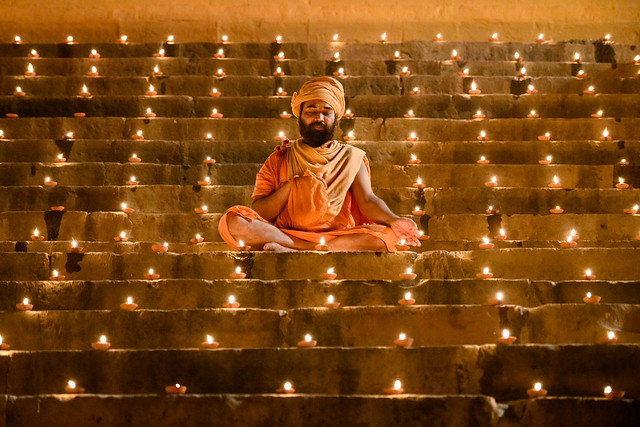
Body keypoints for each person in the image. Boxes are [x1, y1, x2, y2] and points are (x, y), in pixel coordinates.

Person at [218, 76, 420, 252]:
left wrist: (394, 220)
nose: (319, 117)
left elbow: (367, 200)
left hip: (338, 235)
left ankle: (294, 250)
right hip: (285, 233)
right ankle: (301, 247)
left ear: (335, 118)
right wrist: (290, 188)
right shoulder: (280, 158)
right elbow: (260, 212)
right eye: (311, 110)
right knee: (233, 221)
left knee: (387, 235)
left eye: (326, 111)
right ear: (300, 116)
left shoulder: (352, 157)